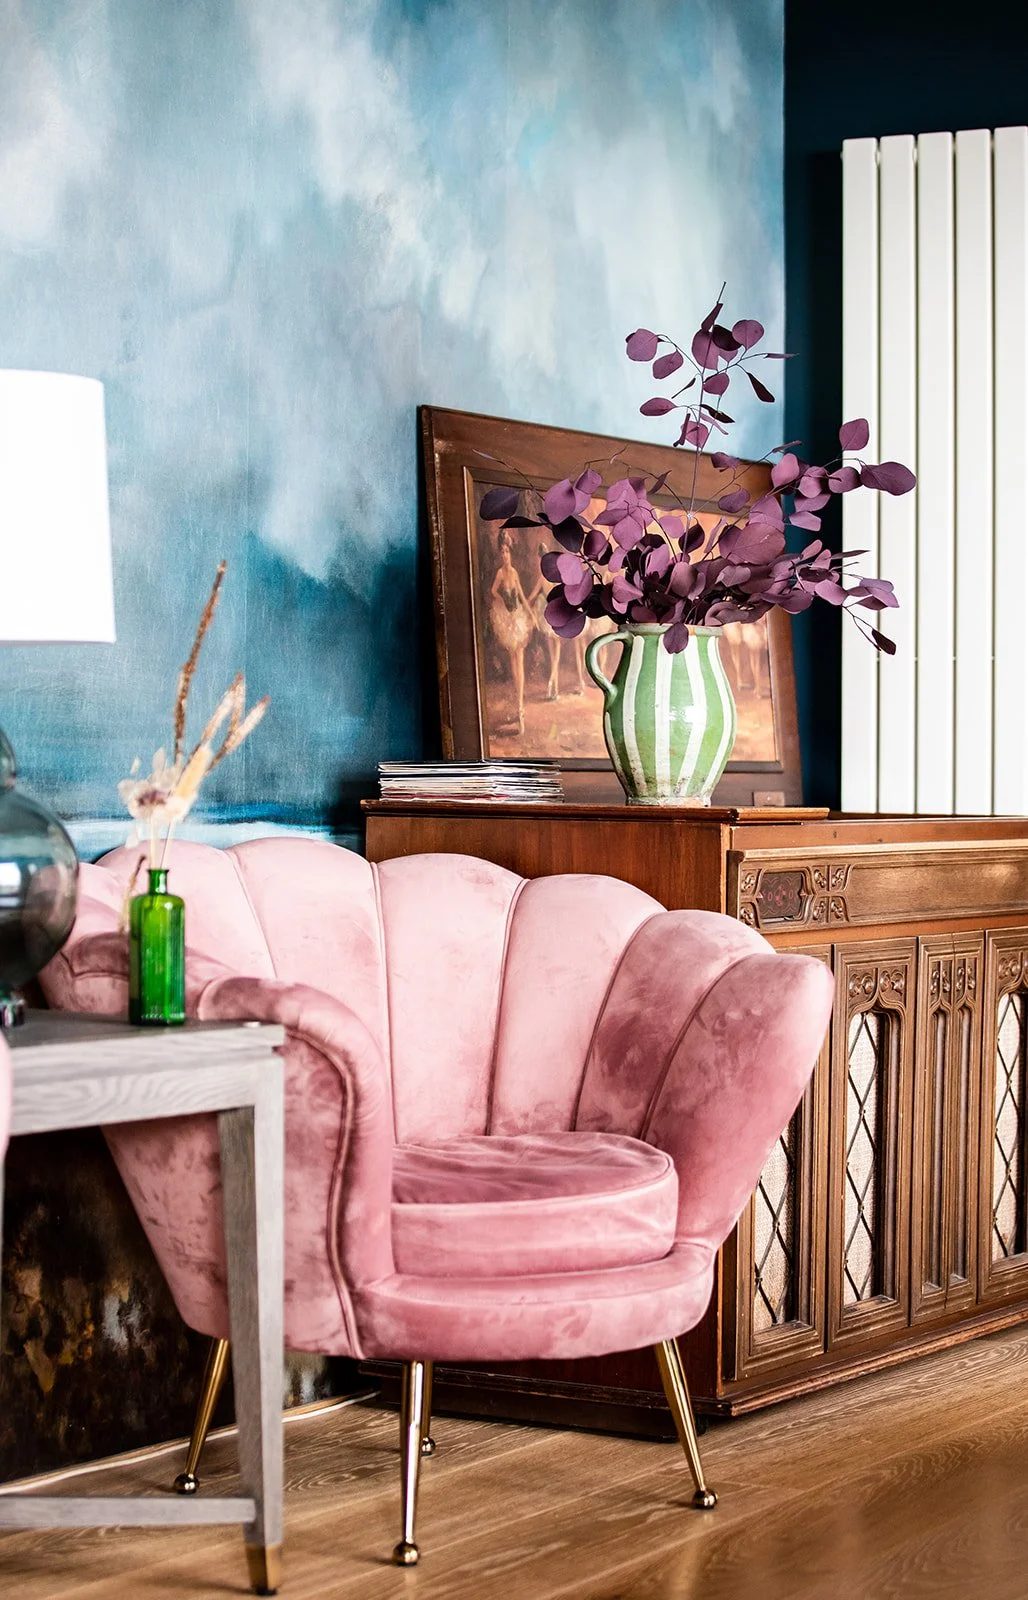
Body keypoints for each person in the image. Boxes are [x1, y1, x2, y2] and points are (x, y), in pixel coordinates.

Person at [489, 531, 534, 734]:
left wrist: (531, 614)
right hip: (506, 619)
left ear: (511, 554)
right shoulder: (500, 573)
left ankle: (520, 706)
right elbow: (492, 591)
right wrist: (501, 600)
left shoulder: (514, 572)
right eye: (502, 552)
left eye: (507, 552)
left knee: (520, 661)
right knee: (513, 661)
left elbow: (522, 596)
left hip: (517, 618)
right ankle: (518, 704)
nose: (504, 555)